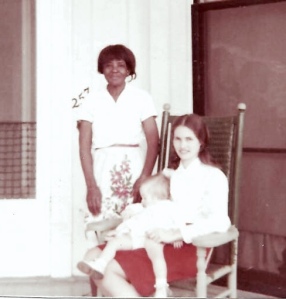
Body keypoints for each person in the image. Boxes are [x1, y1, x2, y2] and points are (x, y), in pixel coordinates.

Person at [81, 113, 231, 297]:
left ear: (201, 141)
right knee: (91, 257)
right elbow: (155, 210)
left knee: (108, 270)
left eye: (189, 139)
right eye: (178, 139)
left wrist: (175, 234)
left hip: (188, 245)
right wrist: (125, 228)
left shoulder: (214, 176)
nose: (183, 145)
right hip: (156, 237)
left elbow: (220, 222)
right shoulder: (172, 176)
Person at [77, 44, 159, 221]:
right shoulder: (91, 101)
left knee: (135, 224)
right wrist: (91, 186)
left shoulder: (142, 98)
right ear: (102, 69)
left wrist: (144, 177)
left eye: (120, 65)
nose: (115, 70)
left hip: (134, 168)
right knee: (101, 223)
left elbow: (154, 142)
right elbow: (84, 146)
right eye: (109, 65)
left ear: (129, 69)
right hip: (101, 169)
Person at [77, 173, 184, 297]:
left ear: (155, 197)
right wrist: (118, 232)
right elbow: (129, 219)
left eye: (144, 197)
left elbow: (179, 221)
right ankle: (100, 264)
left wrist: (176, 235)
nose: (142, 200)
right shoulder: (142, 208)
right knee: (115, 242)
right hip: (137, 238)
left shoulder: (169, 207)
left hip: (154, 239)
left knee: (157, 258)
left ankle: (161, 287)